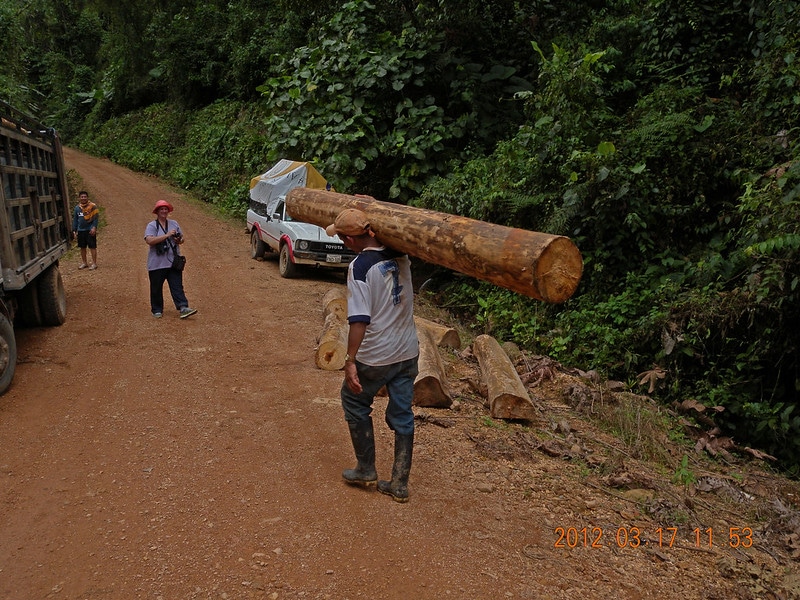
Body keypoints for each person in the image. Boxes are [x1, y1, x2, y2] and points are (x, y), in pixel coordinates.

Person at [325, 208, 419, 503]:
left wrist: (350, 360)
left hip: (377, 354)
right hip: (407, 351)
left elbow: (359, 320)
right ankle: (400, 483)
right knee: (403, 414)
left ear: (349, 238)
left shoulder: (360, 266)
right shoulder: (402, 253)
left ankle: (366, 469)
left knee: (354, 401)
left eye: (341, 236)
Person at [144, 200, 197, 319]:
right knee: (156, 287)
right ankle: (157, 309)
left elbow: (182, 239)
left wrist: (179, 240)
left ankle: (183, 307)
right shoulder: (152, 226)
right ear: (157, 212)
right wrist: (167, 235)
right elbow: (149, 241)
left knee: (177, 285)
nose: (164, 211)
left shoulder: (174, 223)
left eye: (165, 209)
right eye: (161, 209)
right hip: (157, 263)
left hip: (173, 262)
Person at [72, 190, 99, 270]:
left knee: (92, 246)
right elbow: (75, 220)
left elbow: (95, 218)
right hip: (81, 230)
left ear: (87, 197)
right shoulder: (77, 208)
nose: (83, 198)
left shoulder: (93, 206)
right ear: (79, 198)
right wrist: (74, 230)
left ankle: (94, 263)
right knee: (82, 247)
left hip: (90, 229)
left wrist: (94, 227)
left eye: (85, 197)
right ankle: (84, 263)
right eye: (82, 197)